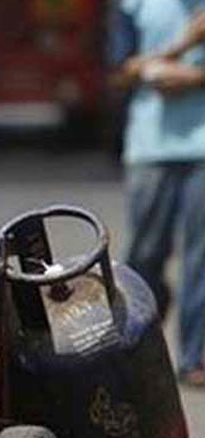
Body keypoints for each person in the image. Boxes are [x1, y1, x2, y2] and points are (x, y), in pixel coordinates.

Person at [109, 0, 205, 386]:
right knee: (145, 255)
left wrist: (196, 79)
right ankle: (137, 349)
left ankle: (194, 356)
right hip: (150, 148)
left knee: (200, 258)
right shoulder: (134, 6)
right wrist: (183, 46)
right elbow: (119, 73)